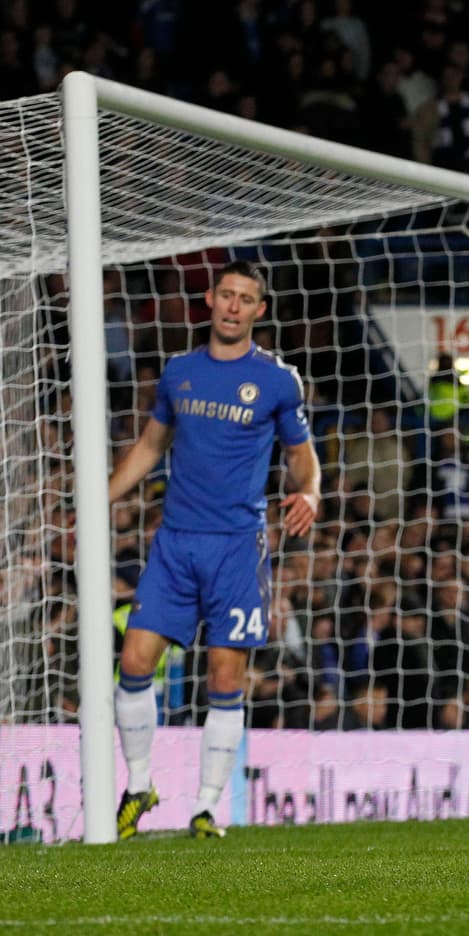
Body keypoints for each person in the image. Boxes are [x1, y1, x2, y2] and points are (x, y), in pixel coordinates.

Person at [109, 262, 321, 840]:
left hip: (236, 548)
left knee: (224, 678)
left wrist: (310, 491)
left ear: (259, 310)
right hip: (175, 542)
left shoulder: (278, 380)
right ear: (209, 299)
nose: (232, 306)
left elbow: (301, 454)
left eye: (245, 298)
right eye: (225, 294)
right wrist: (100, 498)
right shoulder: (179, 373)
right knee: (132, 663)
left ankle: (206, 808)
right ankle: (139, 785)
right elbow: (152, 446)